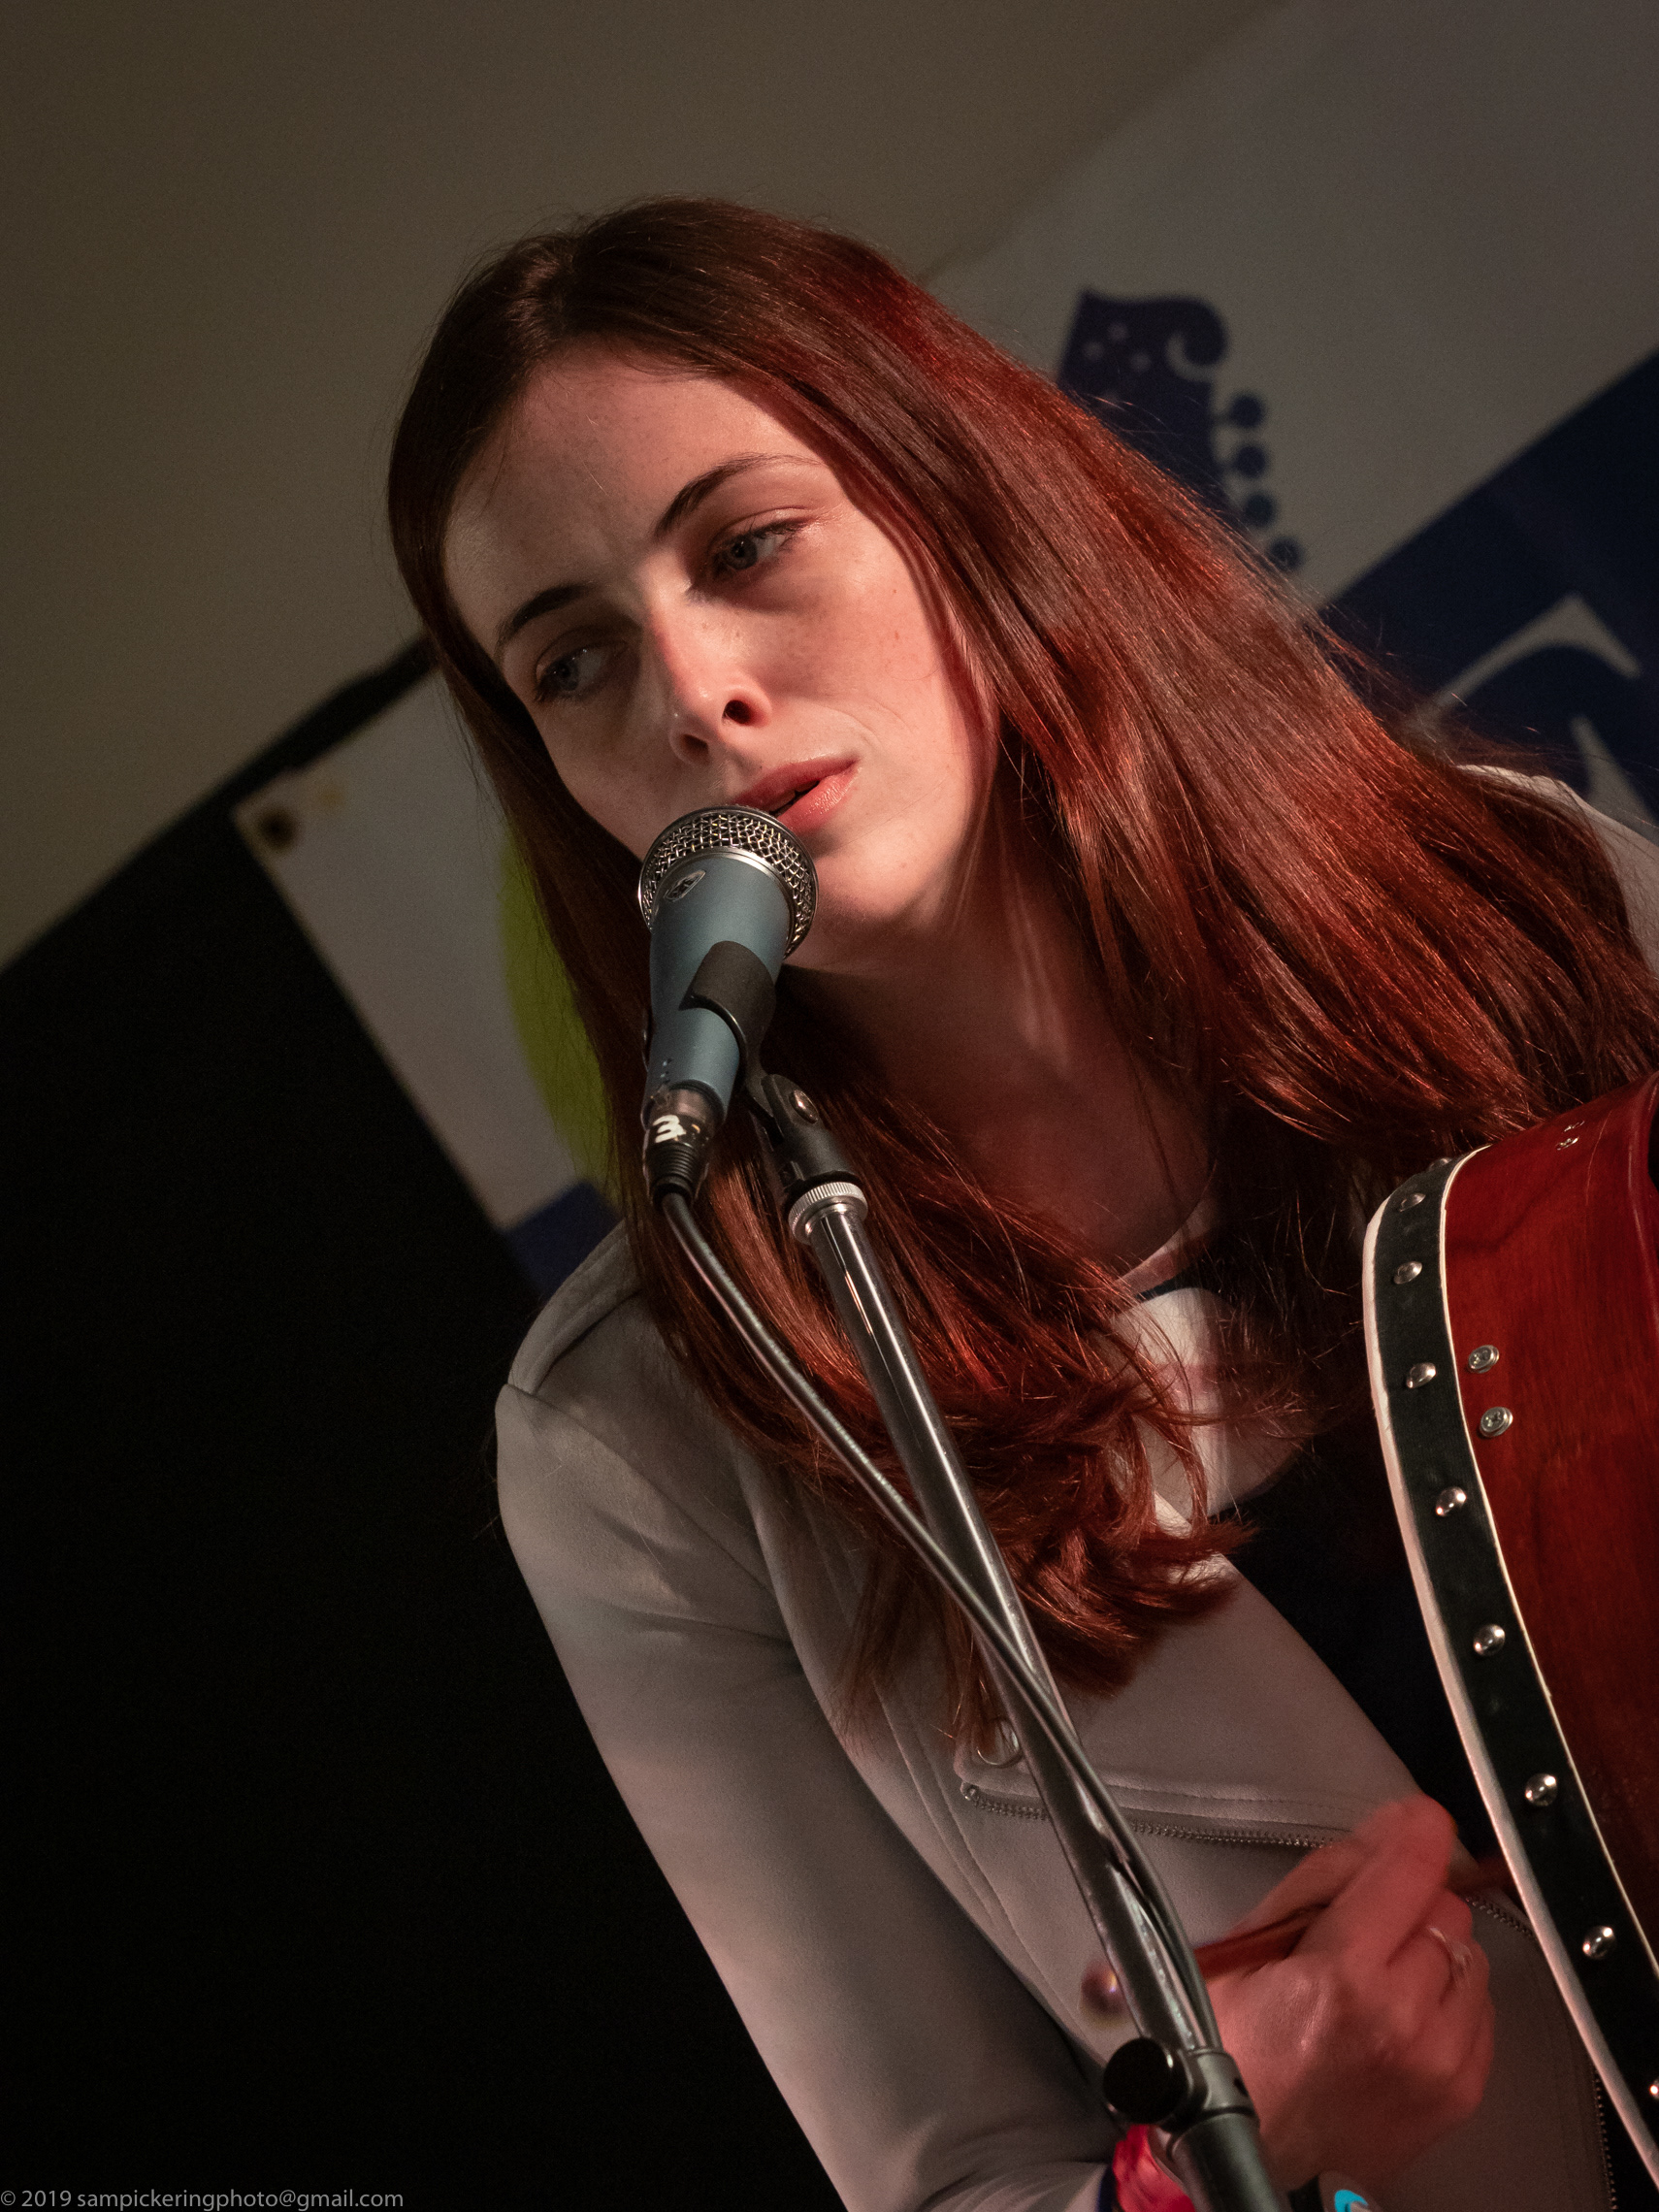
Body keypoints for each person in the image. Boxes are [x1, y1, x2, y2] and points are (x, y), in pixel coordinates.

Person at [387, 199, 1659, 2210]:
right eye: (574, 661)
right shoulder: (640, 1441)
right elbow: (952, 2179)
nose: (694, 693)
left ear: (955, 499)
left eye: (746, 545)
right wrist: (1238, 2179)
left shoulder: (1520, 899)